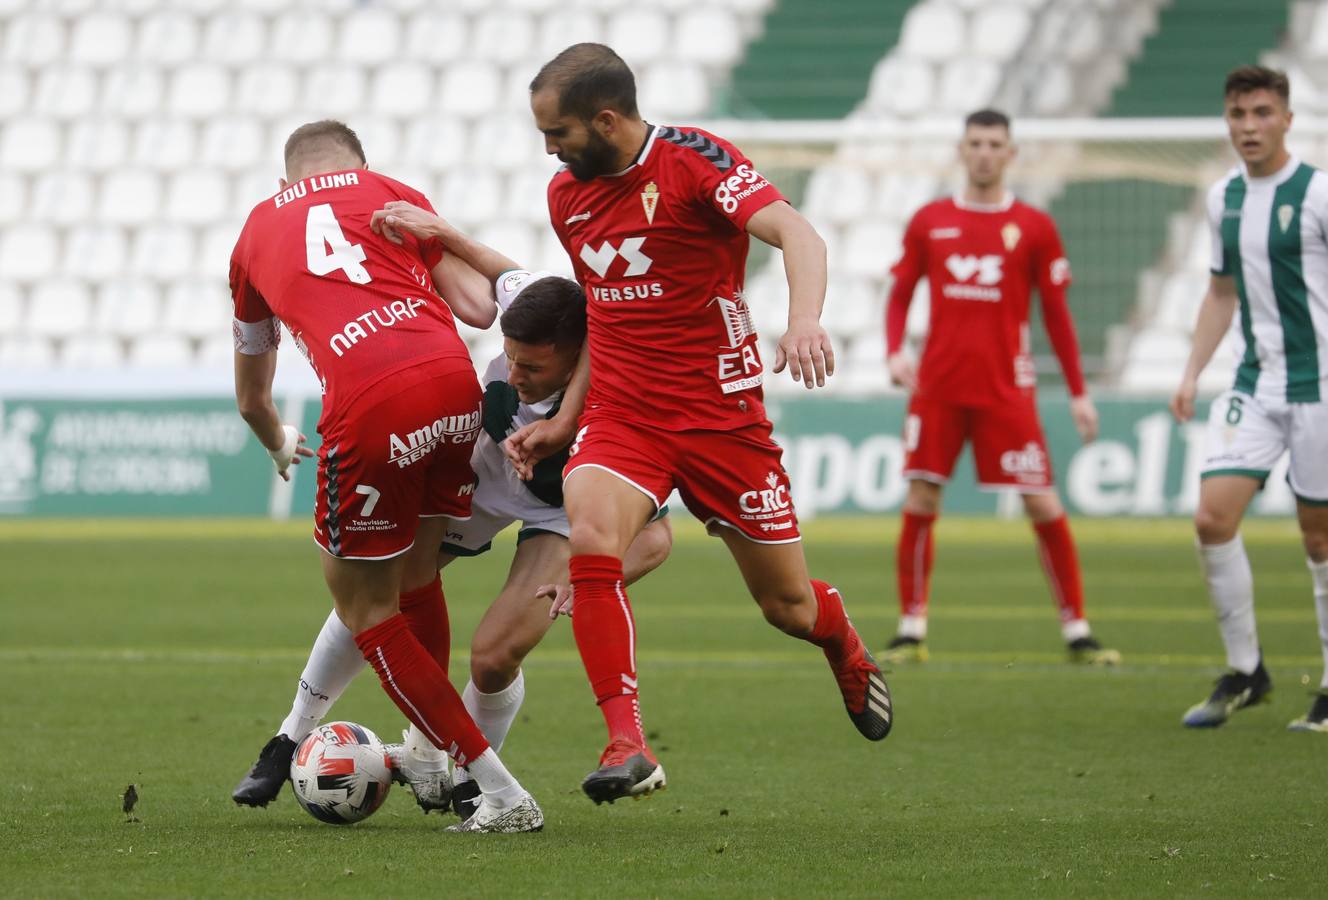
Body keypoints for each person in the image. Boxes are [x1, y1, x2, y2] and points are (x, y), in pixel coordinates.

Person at [511, 43, 893, 805]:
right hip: (625, 415)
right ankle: (626, 742)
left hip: (721, 419)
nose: (548, 150)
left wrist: (804, 321)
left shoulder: (695, 162)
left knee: (787, 607)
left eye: (557, 133)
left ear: (607, 120)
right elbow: (601, 318)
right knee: (588, 536)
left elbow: (798, 234)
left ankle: (840, 638)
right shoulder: (566, 197)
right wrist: (567, 421)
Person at [232, 244, 673, 818]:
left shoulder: (625, 400)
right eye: (509, 359)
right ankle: (291, 735)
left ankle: (467, 782)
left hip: (562, 518)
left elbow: (656, 538)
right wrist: (439, 230)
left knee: (491, 657)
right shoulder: (537, 300)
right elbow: (497, 274)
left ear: (575, 360)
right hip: (481, 471)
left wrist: (583, 580)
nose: (512, 376)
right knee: (374, 587)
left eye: (532, 368)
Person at [228, 120, 542, 833]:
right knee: (418, 577)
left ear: (286, 184)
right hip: (451, 387)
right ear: (359, 166)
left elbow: (252, 395)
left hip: (369, 403)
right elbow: (477, 307)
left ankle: (498, 791)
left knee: (368, 610)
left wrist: (278, 440)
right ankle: (432, 759)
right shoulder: (391, 193)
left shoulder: (255, 232)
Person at [1170, 66, 1328, 732]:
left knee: (1319, 537)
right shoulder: (1223, 199)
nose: (1248, 126)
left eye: (1261, 113)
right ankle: (1247, 673)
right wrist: (1190, 372)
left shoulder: (1324, 196)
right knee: (1212, 520)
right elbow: (1220, 294)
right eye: (1237, 114)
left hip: (1324, 385)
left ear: (1286, 120)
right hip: (1255, 380)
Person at [879, 109, 1119, 667]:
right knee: (921, 497)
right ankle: (911, 629)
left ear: (1010, 154)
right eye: (975, 143)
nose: (984, 153)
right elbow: (899, 295)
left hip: (1006, 390)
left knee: (1042, 501)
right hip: (938, 386)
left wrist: (1079, 391)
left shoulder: (1034, 227)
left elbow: (1057, 316)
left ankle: (1078, 630)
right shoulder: (929, 221)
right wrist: (895, 351)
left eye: (994, 144)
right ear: (961, 151)